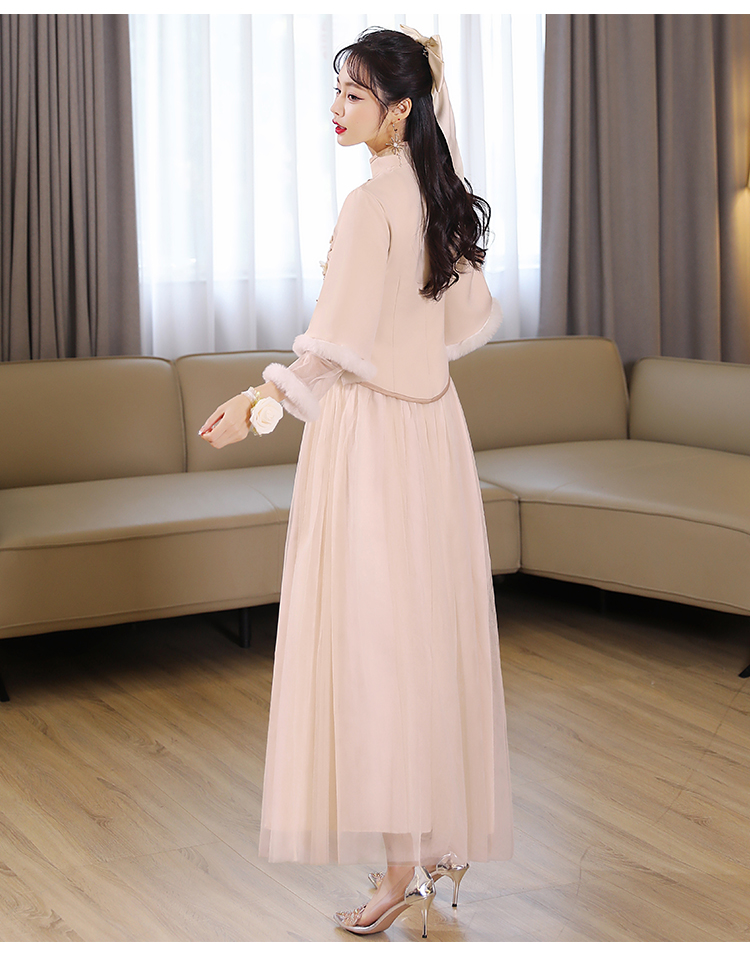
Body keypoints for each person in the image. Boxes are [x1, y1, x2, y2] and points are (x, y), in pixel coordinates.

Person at [199, 25, 513, 938]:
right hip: (434, 436)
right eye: (337, 90)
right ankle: (436, 844)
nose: (336, 109)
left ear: (400, 110)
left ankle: (399, 871)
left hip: (374, 443)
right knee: (428, 641)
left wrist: (256, 400)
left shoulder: (371, 203)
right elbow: (452, 323)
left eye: (356, 95)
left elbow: (333, 351)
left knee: (378, 651)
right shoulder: (434, 193)